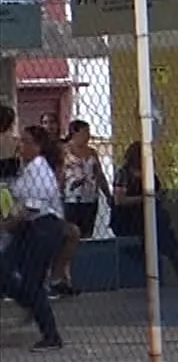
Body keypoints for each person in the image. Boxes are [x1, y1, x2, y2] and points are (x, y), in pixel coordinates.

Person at [4, 125, 67, 349]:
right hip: (27, 229)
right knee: (3, 268)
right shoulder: (27, 168)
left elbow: (32, 208)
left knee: (32, 282)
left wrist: (9, 223)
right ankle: (30, 302)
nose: (22, 146)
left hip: (42, 228)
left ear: (38, 146)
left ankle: (51, 335)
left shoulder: (40, 169)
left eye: (27, 142)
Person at [111, 141, 178, 285]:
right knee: (161, 228)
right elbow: (119, 200)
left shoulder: (150, 174)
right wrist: (146, 198)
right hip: (127, 218)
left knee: (162, 227)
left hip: (149, 216)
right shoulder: (124, 173)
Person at [49, 119, 106, 297]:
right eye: (84, 133)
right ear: (75, 133)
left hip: (90, 198)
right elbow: (60, 175)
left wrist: (106, 193)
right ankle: (65, 278)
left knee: (86, 234)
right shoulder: (64, 152)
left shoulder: (92, 153)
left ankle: (83, 274)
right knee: (70, 235)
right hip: (71, 198)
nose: (87, 136)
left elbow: (99, 174)